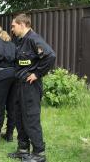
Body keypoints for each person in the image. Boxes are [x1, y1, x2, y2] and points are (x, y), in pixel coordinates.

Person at [8, 14, 56, 162]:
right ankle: (23, 150)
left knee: (31, 118)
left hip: (30, 86)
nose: (12, 29)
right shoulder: (21, 41)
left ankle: (39, 153)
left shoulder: (33, 39)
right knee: (19, 117)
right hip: (19, 84)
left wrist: (37, 73)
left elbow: (50, 56)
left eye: (13, 26)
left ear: (22, 24)